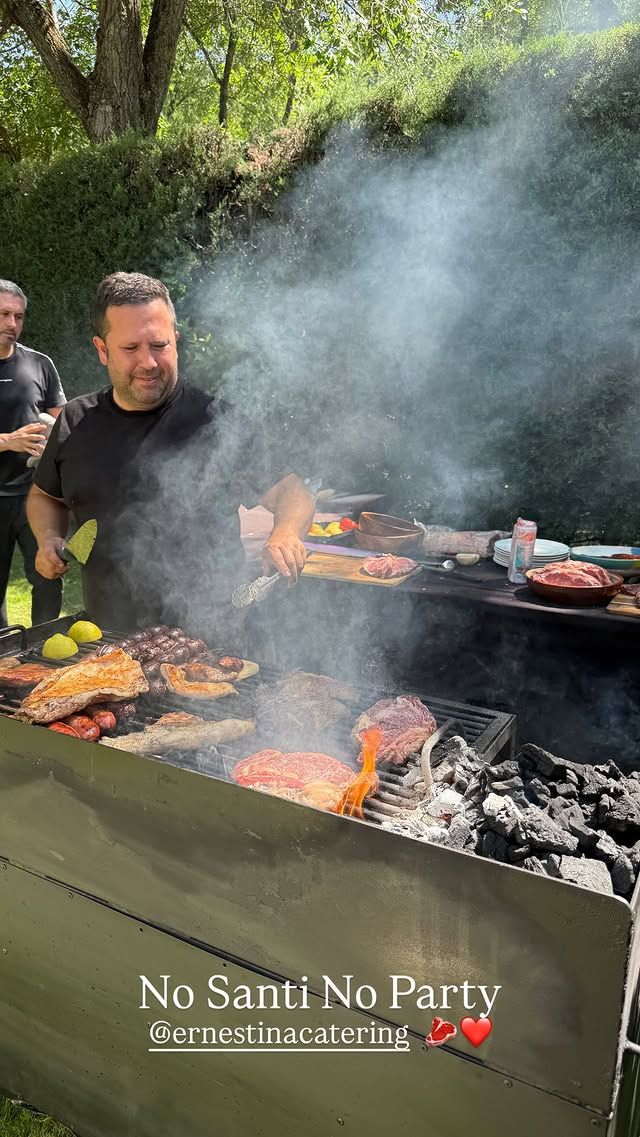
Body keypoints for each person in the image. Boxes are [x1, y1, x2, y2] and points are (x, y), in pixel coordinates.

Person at [27, 271, 314, 644]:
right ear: (102, 350)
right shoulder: (75, 423)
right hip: (110, 640)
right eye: (130, 349)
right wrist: (48, 536)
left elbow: (293, 493)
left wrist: (286, 532)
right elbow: (45, 495)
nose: (148, 362)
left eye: (159, 345)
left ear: (176, 341)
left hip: (212, 639)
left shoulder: (216, 421)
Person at [0, 280, 66, 628]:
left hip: (34, 495)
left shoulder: (40, 364)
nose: (12, 324)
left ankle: (45, 648)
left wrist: (52, 443)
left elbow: (62, 422)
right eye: (4, 314)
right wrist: (7, 440)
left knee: (49, 575)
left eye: (18, 316)